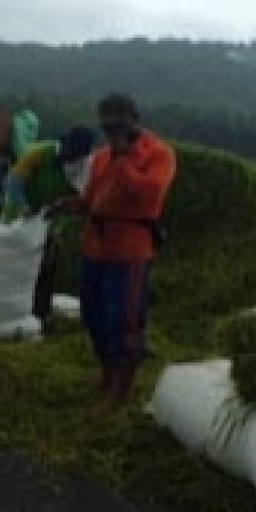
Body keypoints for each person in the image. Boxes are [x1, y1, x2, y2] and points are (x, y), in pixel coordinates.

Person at [53, 93, 176, 403]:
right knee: (93, 314)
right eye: (105, 117)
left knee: (122, 319)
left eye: (118, 116)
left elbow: (146, 195)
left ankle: (122, 389)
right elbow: (94, 196)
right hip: (94, 246)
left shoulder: (158, 154)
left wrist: (123, 157)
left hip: (129, 250)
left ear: (134, 118)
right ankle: (106, 377)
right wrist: (73, 204)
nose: (111, 124)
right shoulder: (102, 156)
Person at [1, 124, 97, 321]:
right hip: (19, 218)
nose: (71, 156)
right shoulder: (40, 153)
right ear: (64, 143)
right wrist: (22, 207)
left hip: (51, 222)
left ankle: (40, 314)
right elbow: (14, 180)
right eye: (69, 150)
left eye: (76, 154)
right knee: (14, 264)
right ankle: (9, 310)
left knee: (46, 265)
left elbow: (82, 198)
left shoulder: (83, 167)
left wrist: (60, 214)